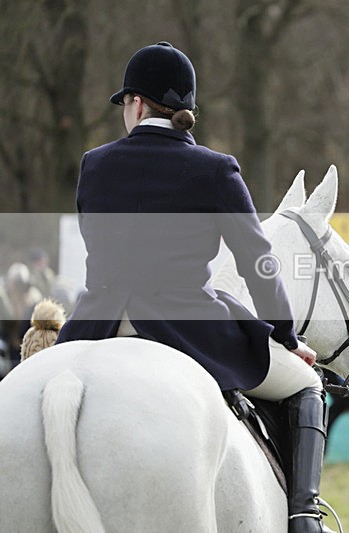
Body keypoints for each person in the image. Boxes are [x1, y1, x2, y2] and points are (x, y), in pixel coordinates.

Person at [55, 42, 330, 533]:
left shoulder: (93, 164)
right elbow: (259, 263)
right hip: (185, 327)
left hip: (95, 323)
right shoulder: (215, 169)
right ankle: (304, 517)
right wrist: (287, 336)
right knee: (307, 384)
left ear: (136, 103)